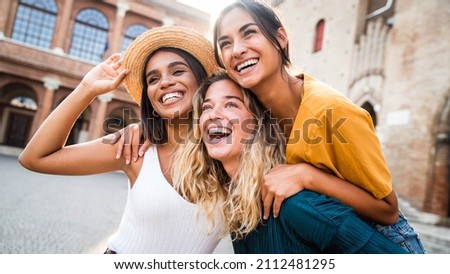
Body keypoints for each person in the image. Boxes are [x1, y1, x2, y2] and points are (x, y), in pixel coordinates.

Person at [211, 0, 425, 253]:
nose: (236, 50)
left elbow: (388, 210)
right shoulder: (254, 111)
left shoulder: (331, 110)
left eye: (249, 33)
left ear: (280, 38)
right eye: (225, 43)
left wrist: (307, 176)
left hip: (382, 241)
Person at [18, 26, 224, 253]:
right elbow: (35, 158)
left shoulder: (230, 152)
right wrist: (86, 89)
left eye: (177, 72)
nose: (164, 82)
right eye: (153, 79)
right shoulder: (135, 149)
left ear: (203, 80)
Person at [172, 71, 407, 253]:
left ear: (257, 124)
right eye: (207, 107)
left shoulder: (297, 206)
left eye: (231, 104)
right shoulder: (238, 205)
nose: (213, 114)